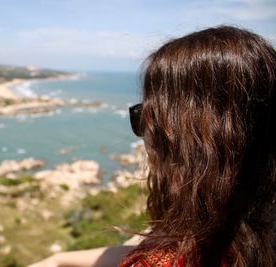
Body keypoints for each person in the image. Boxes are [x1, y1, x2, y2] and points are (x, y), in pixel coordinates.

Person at [28, 25, 276, 267]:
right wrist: (59, 259)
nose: (143, 134)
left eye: (147, 119)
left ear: (187, 141)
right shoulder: (252, 225)